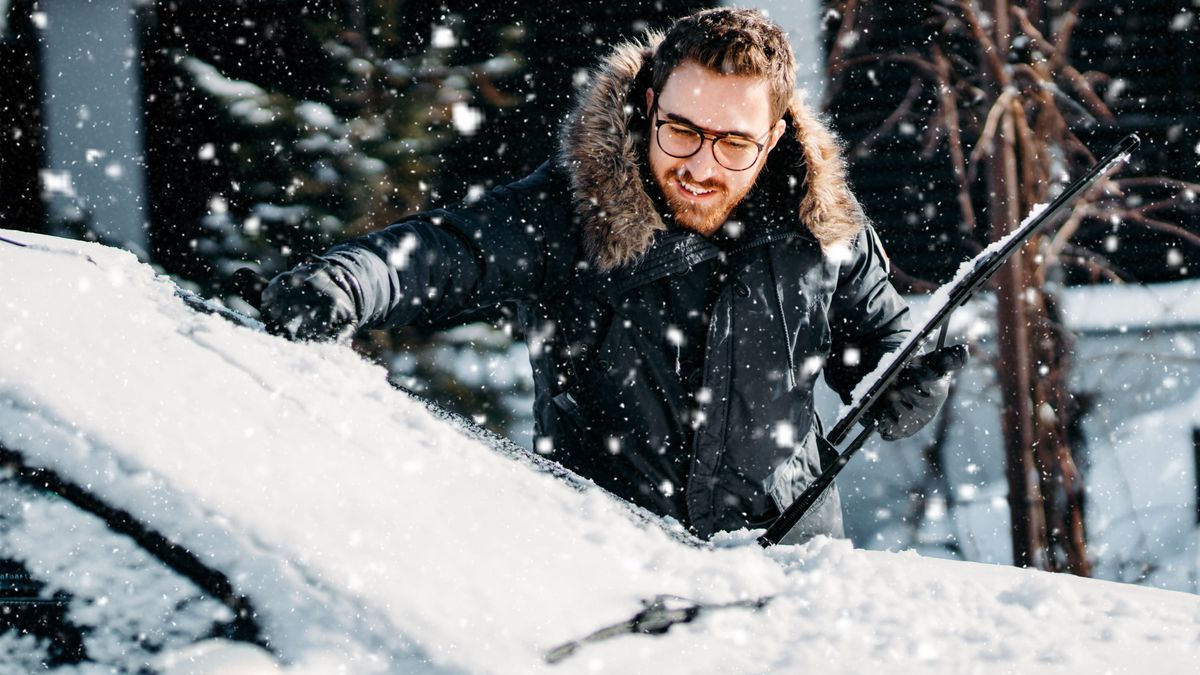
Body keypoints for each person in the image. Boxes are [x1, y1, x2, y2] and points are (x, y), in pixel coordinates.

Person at [260, 8, 964, 543]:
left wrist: (912, 383)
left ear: (773, 139)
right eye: (682, 129)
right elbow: (449, 249)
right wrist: (346, 282)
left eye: (734, 143)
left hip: (790, 568)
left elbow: (886, 349)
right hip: (611, 567)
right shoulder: (575, 209)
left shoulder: (824, 228)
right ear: (650, 105)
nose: (701, 165)